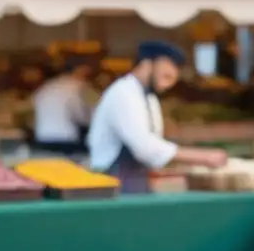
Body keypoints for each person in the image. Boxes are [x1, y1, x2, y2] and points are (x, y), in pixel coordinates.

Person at [86, 41, 227, 193]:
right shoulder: (123, 94)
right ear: (147, 64)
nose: (167, 86)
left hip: (135, 181)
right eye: (166, 77)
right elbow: (144, 146)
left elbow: (155, 142)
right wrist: (203, 158)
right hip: (112, 183)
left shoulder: (149, 98)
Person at [31, 56, 94, 154]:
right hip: (67, 140)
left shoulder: (47, 86)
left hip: (42, 137)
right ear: (79, 70)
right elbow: (80, 116)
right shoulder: (78, 86)